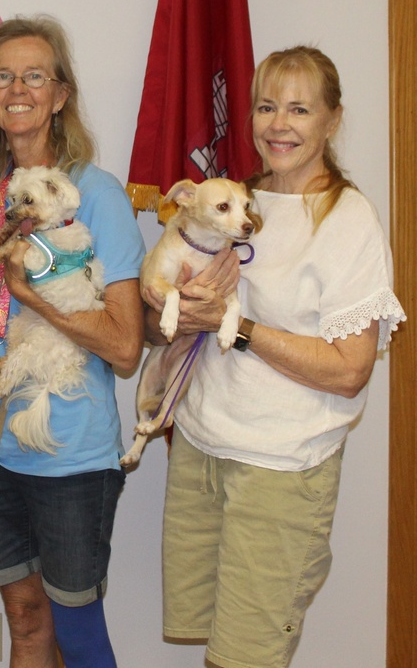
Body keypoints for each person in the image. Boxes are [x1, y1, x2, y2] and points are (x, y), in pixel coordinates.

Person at [148, 46, 406, 668]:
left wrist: (239, 331)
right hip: (203, 451)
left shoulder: (349, 220)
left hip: (281, 471)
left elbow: (349, 370)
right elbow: (171, 317)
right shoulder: (237, 199)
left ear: (333, 120)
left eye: (299, 109)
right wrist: (171, 309)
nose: (279, 124)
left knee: (245, 659)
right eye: (266, 107)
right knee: (215, 648)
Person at [0, 15, 146, 668]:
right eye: (3, 76)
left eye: (36, 75)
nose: (18, 88)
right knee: (25, 619)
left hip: (69, 454)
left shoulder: (97, 195)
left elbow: (124, 347)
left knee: (78, 630)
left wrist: (35, 296)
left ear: (60, 94)